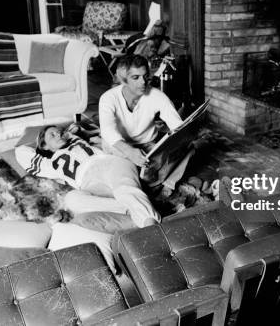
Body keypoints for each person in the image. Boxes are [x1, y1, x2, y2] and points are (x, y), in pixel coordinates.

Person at [27, 124, 160, 228]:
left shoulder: (75, 139)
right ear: (44, 146)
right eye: (52, 135)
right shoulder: (49, 164)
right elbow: (20, 152)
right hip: (89, 182)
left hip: (110, 163)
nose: (58, 135)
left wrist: (71, 132)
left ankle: (151, 225)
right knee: (72, 200)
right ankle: (129, 208)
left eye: (59, 132)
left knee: (124, 188)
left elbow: (78, 127)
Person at [98, 54, 193, 189]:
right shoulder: (108, 98)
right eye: (135, 77)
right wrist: (129, 152)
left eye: (145, 76)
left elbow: (176, 125)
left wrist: (184, 134)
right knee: (126, 172)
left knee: (188, 148)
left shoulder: (157, 95)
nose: (143, 82)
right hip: (118, 146)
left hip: (147, 145)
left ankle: (166, 184)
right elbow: (107, 131)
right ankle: (147, 179)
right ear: (123, 80)